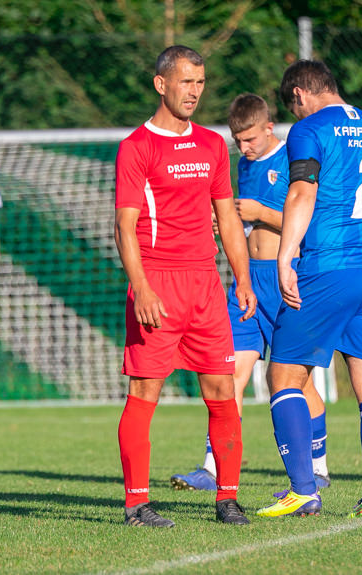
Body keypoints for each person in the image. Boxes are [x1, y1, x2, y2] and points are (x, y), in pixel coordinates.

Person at [256, 60, 362, 520]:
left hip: (327, 267)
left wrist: (286, 256)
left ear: (301, 94)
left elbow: (302, 194)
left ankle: (303, 488)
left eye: (292, 107)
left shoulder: (309, 130)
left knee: (283, 377)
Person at [114, 45, 256, 527]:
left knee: (222, 389)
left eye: (200, 82)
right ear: (161, 84)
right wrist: (143, 288)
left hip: (206, 286)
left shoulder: (213, 144)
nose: (194, 91)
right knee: (144, 392)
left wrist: (241, 277)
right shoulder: (137, 147)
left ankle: (228, 498)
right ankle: (136, 505)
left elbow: (227, 218)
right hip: (157, 283)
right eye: (185, 82)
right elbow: (123, 226)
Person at [170, 93, 331, 492]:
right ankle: (213, 467)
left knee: (298, 382)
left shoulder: (294, 157)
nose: (244, 147)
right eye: (238, 140)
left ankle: (320, 468)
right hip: (248, 283)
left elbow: (311, 222)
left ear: (269, 127)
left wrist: (260, 213)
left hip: (288, 279)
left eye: (250, 140)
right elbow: (241, 223)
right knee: (229, 374)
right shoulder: (242, 163)